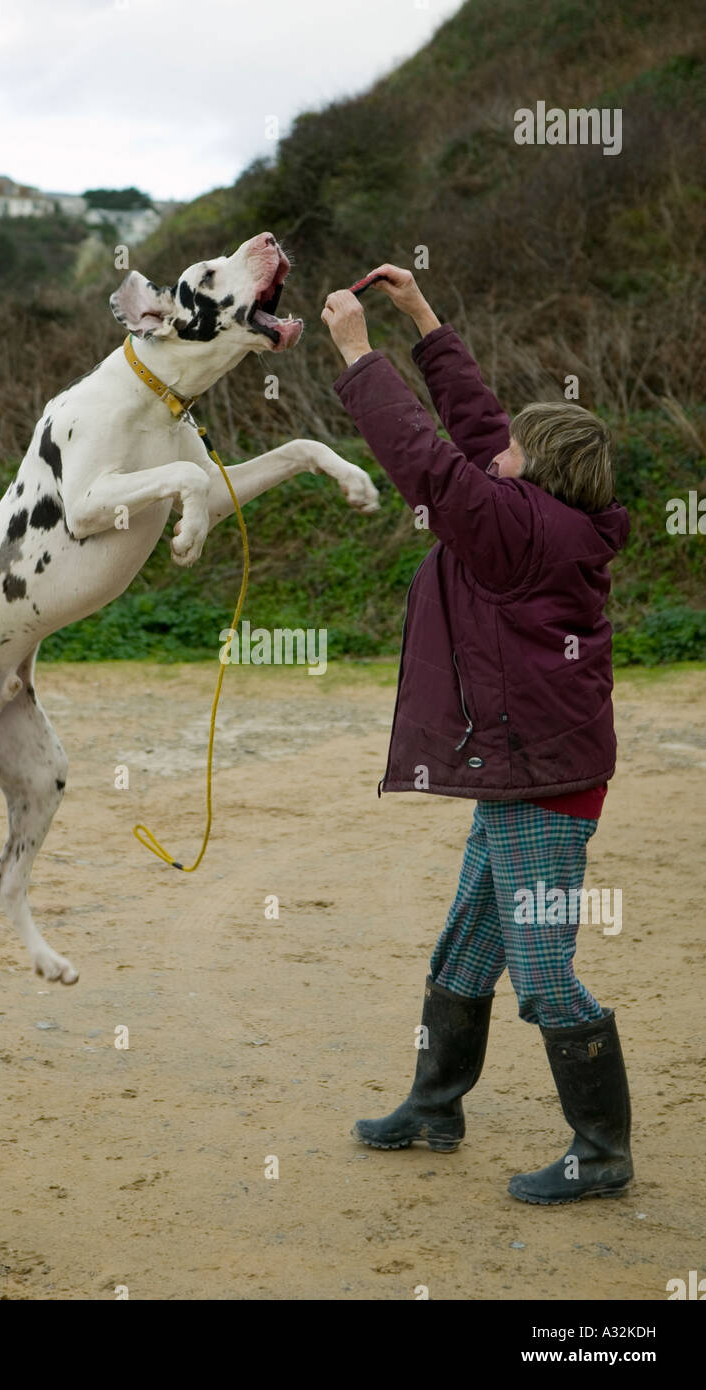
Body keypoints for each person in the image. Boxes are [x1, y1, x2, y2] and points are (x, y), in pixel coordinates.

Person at [321, 266, 633, 1204]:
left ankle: (601, 1152)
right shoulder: (543, 513)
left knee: (543, 978)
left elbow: (423, 457)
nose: (495, 453)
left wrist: (355, 353)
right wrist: (420, 320)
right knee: (464, 950)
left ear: (532, 472)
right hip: (526, 776)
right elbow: (475, 427)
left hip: (539, 784)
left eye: (511, 453)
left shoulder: (511, 529)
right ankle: (434, 1107)